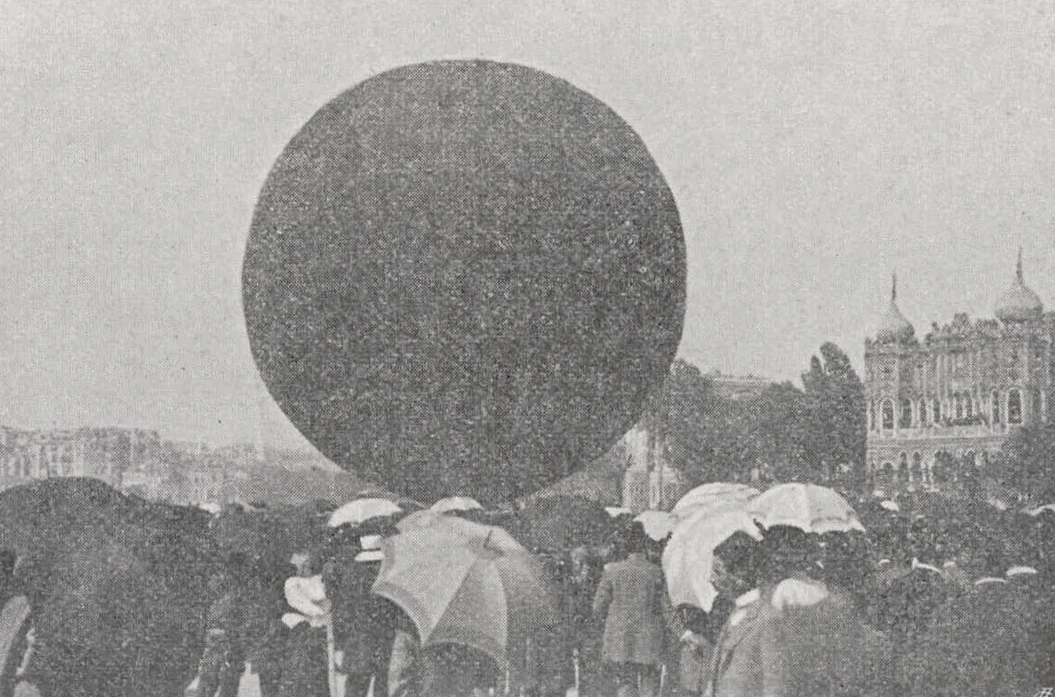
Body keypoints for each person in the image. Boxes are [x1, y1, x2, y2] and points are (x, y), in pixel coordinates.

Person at [592, 523, 672, 697]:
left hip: (619, 638)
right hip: (648, 638)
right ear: (643, 544)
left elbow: (597, 607)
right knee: (648, 685)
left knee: (624, 683)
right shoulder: (656, 572)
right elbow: (666, 608)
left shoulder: (612, 571)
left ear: (624, 545)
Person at [196, 553, 248, 697]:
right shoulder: (224, 588)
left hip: (230, 641)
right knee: (211, 682)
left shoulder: (239, 591)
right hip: (220, 640)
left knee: (224, 683)